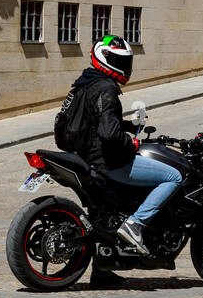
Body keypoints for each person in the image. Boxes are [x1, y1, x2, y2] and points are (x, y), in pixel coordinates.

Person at [67, 34, 183, 256]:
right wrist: (131, 143)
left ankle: (102, 270)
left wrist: (129, 125)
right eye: (119, 62)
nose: (124, 67)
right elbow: (109, 134)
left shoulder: (85, 83)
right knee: (173, 176)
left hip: (86, 157)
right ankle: (136, 224)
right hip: (107, 162)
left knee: (104, 211)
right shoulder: (106, 88)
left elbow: (98, 120)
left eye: (125, 62)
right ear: (105, 58)